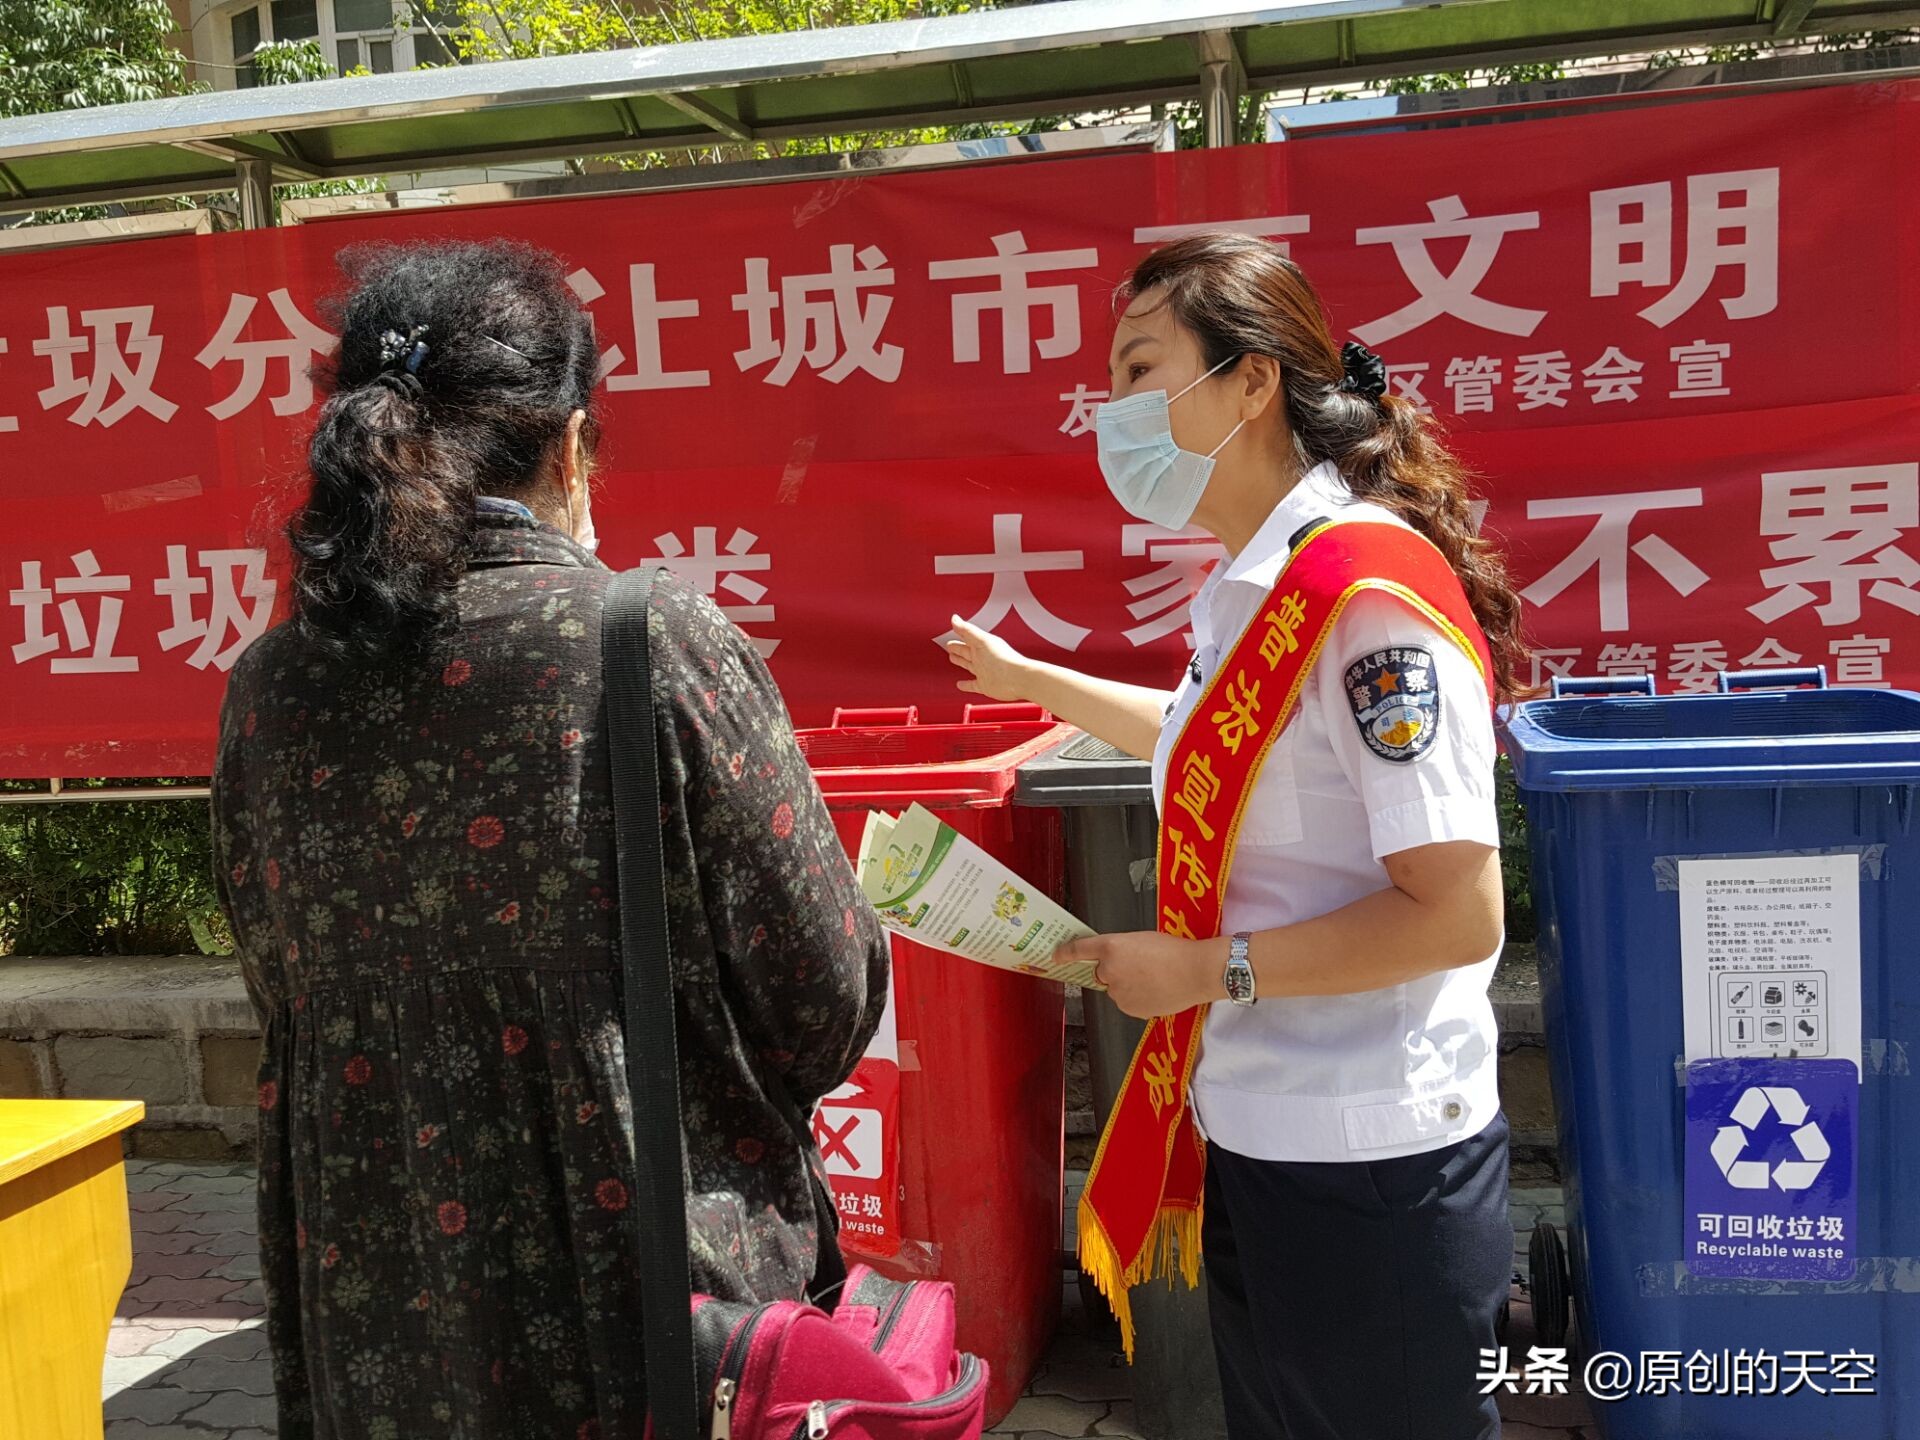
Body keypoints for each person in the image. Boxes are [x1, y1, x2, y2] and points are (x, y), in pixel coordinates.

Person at [210, 240, 890, 1440]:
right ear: (571, 445)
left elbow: (280, 985)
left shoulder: (271, 684)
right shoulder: (651, 641)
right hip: (648, 1305)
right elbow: (823, 999)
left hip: (380, 1303)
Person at [947, 233, 1526, 1440]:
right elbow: (1207, 741)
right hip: (1259, 1135)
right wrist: (1033, 681)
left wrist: (1208, 970)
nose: (1112, 413)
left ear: (1252, 380)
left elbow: (1458, 914)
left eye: (1140, 368)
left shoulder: (1363, 599)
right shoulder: (1259, 587)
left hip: (1375, 1162)